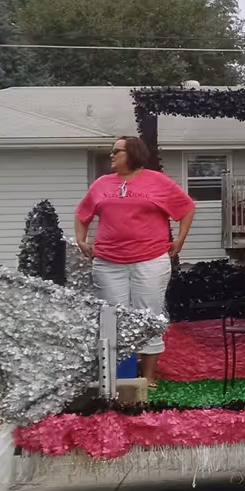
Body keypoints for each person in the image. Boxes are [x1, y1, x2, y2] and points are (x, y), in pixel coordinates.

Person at [74, 135, 195, 387]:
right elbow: (82, 214)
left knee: (148, 315)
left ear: (133, 154)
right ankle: (121, 377)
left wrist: (180, 241)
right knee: (114, 319)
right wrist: (81, 240)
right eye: (112, 151)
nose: (112, 155)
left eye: (117, 151)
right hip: (108, 262)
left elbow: (186, 207)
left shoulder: (157, 181)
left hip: (150, 261)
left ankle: (148, 377)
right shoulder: (101, 184)